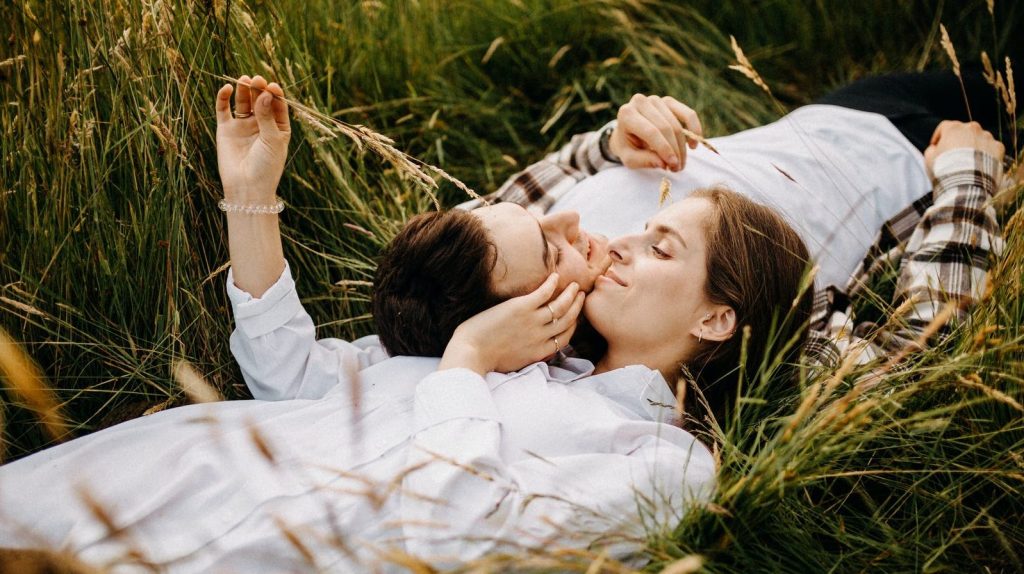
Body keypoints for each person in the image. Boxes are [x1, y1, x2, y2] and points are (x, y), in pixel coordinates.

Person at [0, 69, 1006, 573]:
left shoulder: (666, 464)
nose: (616, 243)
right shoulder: (524, 337)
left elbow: (451, 538)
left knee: (939, 98)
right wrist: (250, 194)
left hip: (225, 552)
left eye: (659, 248)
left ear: (714, 314)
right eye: (638, 231)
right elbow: (287, 371)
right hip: (134, 483)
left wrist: (464, 369)